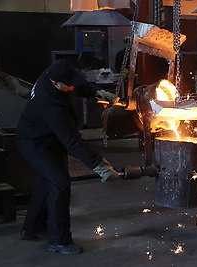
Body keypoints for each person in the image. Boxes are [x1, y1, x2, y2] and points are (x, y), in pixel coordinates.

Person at [16, 59, 119, 254]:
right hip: (34, 142)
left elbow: (77, 83)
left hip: (48, 137)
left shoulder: (54, 72)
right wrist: (99, 165)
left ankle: (33, 228)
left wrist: (95, 91)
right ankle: (59, 241)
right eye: (69, 85)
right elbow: (72, 141)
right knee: (59, 183)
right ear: (55, 83)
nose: (73, 87)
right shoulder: (50, 103)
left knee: (50, 180)